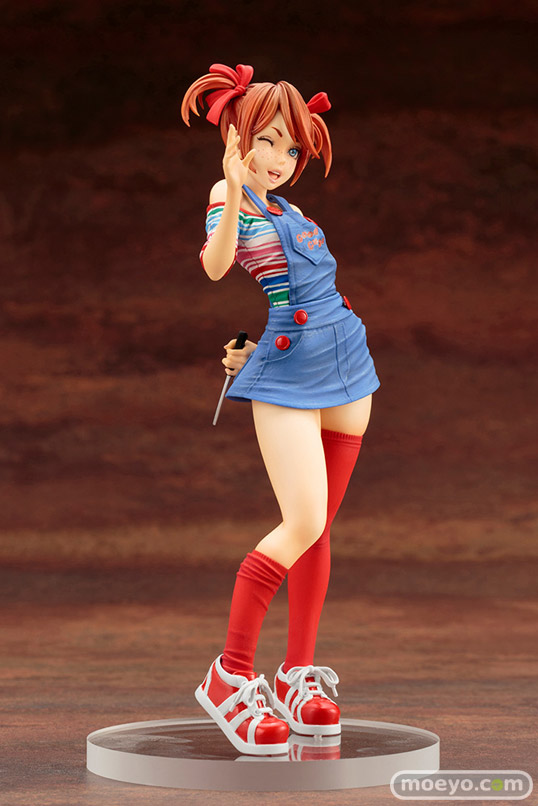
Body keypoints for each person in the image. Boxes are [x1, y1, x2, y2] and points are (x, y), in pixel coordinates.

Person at [181, 63, 380, 756]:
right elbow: (215, 264)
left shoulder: (293, 211)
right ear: (236, 136)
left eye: (291, 148)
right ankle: (230, 674)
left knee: (318, 529)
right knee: (300, 521)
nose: (278, 159)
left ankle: (298, 674)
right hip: (292, 372)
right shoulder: (229, 195)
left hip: (348, 364)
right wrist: (234, 187)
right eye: (265, 140)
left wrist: (249, 346)